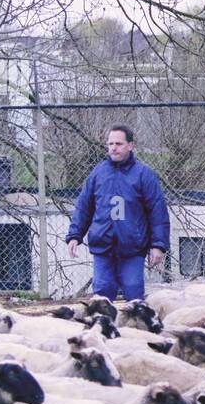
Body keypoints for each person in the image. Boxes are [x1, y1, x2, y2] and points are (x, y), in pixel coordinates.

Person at [65, 125, 169, 301]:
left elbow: (157, 212)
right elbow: (84, 207)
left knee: (133, 292)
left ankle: (135, 328)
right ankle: (104, 327)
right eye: (110, 143)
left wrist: (158, 245)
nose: (113, 147)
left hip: (132, 247)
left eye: (119, 143)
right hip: (103, 246)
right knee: (103, 292)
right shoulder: (98, 173)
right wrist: (75, 235)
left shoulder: (144, 174)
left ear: (130, 145)